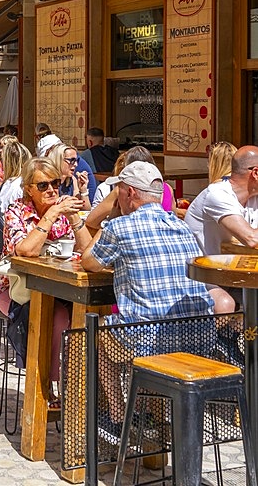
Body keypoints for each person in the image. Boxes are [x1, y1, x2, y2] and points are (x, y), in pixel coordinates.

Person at [80, 161, 214, 437]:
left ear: (129, 193)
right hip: (197, 336)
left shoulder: (121, 228)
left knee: (93, 335)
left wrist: (112, 219)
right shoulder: (180, 226)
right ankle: (152, 415)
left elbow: (89, 262)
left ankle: (118, 419)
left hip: (151, 342)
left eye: (117, 191)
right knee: (144, 320)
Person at [0, 156, 90, 400]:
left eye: (55, 183)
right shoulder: (16, 213)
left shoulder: (63, 211)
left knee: (87, 317)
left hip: (57, 287)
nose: (51, 190)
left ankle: (81, 388)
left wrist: (74, 216)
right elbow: (25, 251)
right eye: (43, 185)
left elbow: (88, 254)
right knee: (58, 316)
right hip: (16, 289)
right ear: (29, 190)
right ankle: (47, 388)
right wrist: (52, 214)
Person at [185, 144, 258, 255]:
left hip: (233, 265)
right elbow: (251, 239)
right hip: (205, 269)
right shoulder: (218, 195)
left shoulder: (253, 196)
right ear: (255, 173)